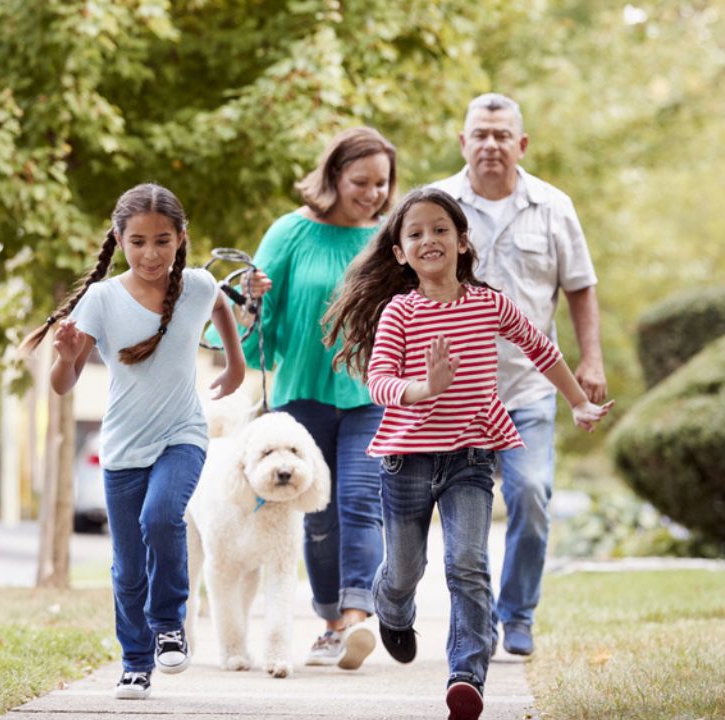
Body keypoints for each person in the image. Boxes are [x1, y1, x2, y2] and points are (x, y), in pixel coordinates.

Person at [323, 187, 612, 720]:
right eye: (415, 233)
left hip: (471, 458)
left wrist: (576, 402)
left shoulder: (488, 304)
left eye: (440, 229)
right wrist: (423, 389)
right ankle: (392, 609)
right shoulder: (398, 313)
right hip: (407, 459)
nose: (428, 239)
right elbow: (380, 381)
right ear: (400, 253)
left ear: (461, 240)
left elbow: (540, 347)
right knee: (405, 570)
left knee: (468, 564)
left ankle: (466, 676)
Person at [19, 183, 247, 700]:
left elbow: (221, 309)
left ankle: (170, 624)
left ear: (181, 238)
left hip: (182, 435)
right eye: (139, 241)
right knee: (126, 566)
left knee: (160, 517)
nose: (151, 253)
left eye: (163, 240)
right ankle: (136, 662)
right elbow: (63, 385)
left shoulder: (197, 285)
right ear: (119, 239)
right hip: (122, 447)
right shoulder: (101, 300)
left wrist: (235, 364)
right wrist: (65, 355)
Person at [433, 92, 607, 658]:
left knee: (531, 494)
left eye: (501, 135)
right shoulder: (437, 208)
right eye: (479, 134)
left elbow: (580, 285)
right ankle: (475, 624)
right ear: (463, 142)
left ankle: (519, 613)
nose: (490, 144)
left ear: (521, 144)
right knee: (463, 517)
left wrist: (591, 360)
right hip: (457, 394)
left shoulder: (554, 206)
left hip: (531, 387)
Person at [232, 127, 398, 670]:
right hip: (301, 393)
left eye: (381, 183)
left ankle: (356, 618)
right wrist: (251, 302)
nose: (373, 193)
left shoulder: (387, 241)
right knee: (319, 514)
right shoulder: (289, 233)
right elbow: (258, 324)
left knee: (359, 501)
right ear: (333, 176)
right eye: (361, 181)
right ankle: (329, 621)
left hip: (369, 393)